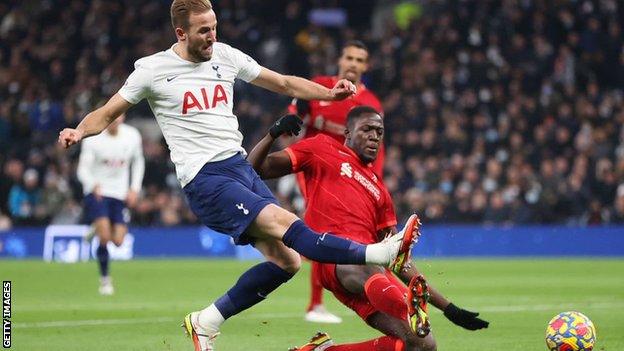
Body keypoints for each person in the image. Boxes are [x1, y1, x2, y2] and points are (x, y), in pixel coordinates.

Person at [58, 1, 416, 350]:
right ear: (181, 33)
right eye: (203, 31)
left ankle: (206, 322)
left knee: (288, 261)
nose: (212, 36)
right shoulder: (152, 70)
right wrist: (79, 130)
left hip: (240, 168)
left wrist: (329, 93)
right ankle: (380, 254)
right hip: (206, 179)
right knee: (287, 224)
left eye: (214, 27)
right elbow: (107, 113)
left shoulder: (225, 56)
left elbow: (285, 84)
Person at [248, 108, 489, 351]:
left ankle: (323, 350)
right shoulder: (322, 147)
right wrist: (272, 134)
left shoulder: (380, 192)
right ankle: (405, 305)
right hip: (332, 258)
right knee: (364, 262)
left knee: (422, 345)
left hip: (370, 277)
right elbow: (255, 169)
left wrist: (449, 308)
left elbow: (398, 259)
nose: (375, 136)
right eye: (367, 129)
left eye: (379, 132)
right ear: (348, 133)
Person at [289, 40, 384, 324]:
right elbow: (296, 109)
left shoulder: (371, 104)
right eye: (349, 57)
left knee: (337, 233)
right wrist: (291, 120)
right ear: (340, 60)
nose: (353, 63)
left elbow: (378, 146)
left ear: (365, 67)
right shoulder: (319, 87)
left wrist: (375, 180)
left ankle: (344, 288)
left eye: (359, 59)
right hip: (314, 169)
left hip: (349, 177)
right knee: (321, 227)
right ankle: (315, 305)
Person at [77, 114, 144, 295]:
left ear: (122, 118)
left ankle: (95, 227)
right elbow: (82, 168)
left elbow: (138, 162)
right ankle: (105, 280)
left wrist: (134, 188)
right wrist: (92, 184)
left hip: (119, 193)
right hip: (98, 193)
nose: (115, 120)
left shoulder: (132, 135)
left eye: (119, 117)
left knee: (119, 241)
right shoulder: (93, 139)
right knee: (105, 238)